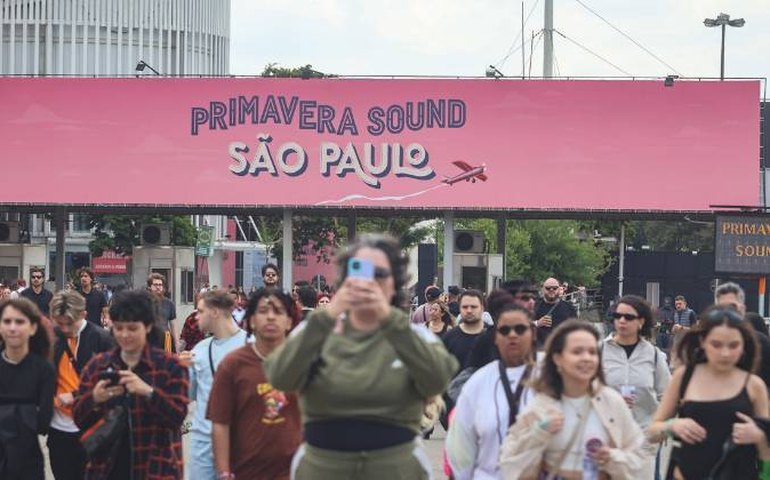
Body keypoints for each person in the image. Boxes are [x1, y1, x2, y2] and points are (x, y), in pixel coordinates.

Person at [264, 234, 458, 480]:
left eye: (380, 274)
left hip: (396, 466)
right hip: (323, 465)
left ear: (395, 283)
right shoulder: (315, 332)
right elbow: (280, 376)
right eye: (361, 271)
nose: (370, 282)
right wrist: (330, 314)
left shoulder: (413, 337)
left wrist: (390, 320)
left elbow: (438, 379)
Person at [499, 320, 645, 479]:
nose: (586, 358)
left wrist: (611, 457)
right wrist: (538, 432)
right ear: (557, 358)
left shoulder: (611, 401)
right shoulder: (542, 404)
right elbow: (509, 460)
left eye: (592, 352)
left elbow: (638, 457)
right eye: (577, 352)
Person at [73, 290, 189, 479]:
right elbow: (78, 417)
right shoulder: (99, 365)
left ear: (149, 326)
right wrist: (94, 398)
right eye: (119, 328)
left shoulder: (170, 366)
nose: (125, 335)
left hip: (156, 468)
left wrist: (148, 392)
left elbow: (177, 416)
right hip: (106, 468)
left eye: (133, 328)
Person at [648, 307, 770, 479]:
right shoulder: (684, 377)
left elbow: (766, 457)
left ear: (744, 344)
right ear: (703, 341)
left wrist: (760, 436)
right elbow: (652, 432)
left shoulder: (754, 385)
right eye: (716, 344)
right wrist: (672, 426)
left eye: (733, 345)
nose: (725, 353)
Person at [207, 288, 300, 480]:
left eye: (278, 311)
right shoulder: (232, 365)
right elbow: (220, 424)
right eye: (263, 311)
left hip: (296, 471)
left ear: (289, 321)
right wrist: (224, 473)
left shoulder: (302, 362)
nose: (271, 317)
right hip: (246, 472)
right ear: (251, 320)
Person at [445, 290, 537, 480]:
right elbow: (460, 452)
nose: (512, 335)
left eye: (520, 329)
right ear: (495, 336)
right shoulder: (477, 384)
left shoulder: (551, 377)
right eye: (504, 330)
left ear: (533, 333)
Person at [601, 294, 671, 478]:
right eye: (617, 316)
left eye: (628, 317)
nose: (622, 321)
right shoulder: (599, 351)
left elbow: (667, 396)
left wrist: (661, 426)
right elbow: (585, 392)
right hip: (606, 437)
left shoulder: (654, 355)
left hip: (643, 438)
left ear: (641, 321)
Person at [48, 290, 114, 480]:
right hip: (58, 428)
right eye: (59, 323)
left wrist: (77, 395)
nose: (65, 328)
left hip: (92, 427)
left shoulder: (102, 339)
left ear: (83, 314)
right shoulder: (52, 339)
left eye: (70, 323)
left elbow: (111, 382)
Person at [183, 290, 248, 480]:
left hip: (238, 442)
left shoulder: (250, 346)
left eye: (200, 311)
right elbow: (186, 395)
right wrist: (180, 371)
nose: (196, 316)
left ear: (215, 312)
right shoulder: (200, 350)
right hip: (202, 445)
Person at [0, 298, 56, 480]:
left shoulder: (44, 369)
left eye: (19, 321)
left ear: (32, 328)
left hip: (28, 459)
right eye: (7, 321)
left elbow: (44, 421)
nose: (12, 328)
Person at [714, 281, 770, 390]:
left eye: (732, 306)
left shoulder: (761, 343)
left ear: (743, 309)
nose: (728, 312)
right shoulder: (707, 343)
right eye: (722, 307)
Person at [442, 289, 487, 369]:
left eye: (473, 307)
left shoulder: (493, 336)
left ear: (482, 308)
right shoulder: (449, 338)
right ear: (460, 308)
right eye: (465, 307)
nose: (469, 311)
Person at [534, 277, 577, 348]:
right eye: (548, 288)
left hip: (562, 350)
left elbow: (577, 330)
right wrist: (537, 323)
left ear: (559, 289)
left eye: (555, 288)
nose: (551, 290)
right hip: (540, 351)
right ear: (542, 289)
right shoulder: (534, 305)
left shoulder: (569, 307)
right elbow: (523, 326)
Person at [148, 272, 178, 353]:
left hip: (166, 340)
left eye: (160, 285)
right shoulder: (144, 302)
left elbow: (174, 326)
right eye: (155, 285)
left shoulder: (169, 304)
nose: (158, 287)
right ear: (150, 286)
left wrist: (177, 346)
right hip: (149, 340)